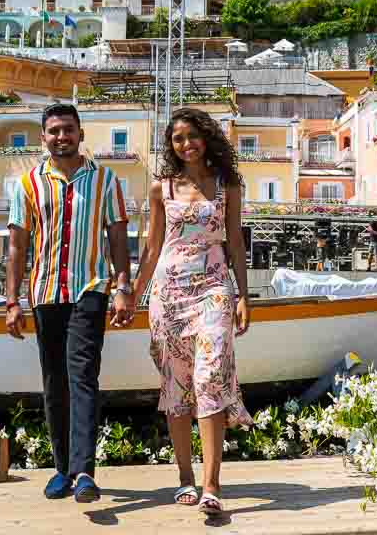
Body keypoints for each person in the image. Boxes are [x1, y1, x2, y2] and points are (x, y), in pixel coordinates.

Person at [123, 108, 250, 516]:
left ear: (206, 137)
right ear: (171, 145)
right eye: (178, 139)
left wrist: (244, 296)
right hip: (169, 293)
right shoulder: (162, 188)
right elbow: (152, 248)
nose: (186, 144)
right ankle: (185, 478)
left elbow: (235, 243)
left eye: (192, 136)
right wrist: (132, 295)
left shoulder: (227, 185)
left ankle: (212, 484)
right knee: (176, 386)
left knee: (209, 376)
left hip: (213, 290)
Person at [6, 103, 131, 504]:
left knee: (82, 377)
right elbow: (17, 246)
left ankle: (84, 473)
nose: (62, 137)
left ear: (80, 134)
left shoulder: (106, 180)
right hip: (45, 292)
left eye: (69, 130)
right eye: (55, 131)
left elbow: (117, 238)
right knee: (53, 381)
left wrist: (123, 285)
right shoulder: (26, 184)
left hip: (90, 288)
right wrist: (12, 301)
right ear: (44, 137)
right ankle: (61, 468)